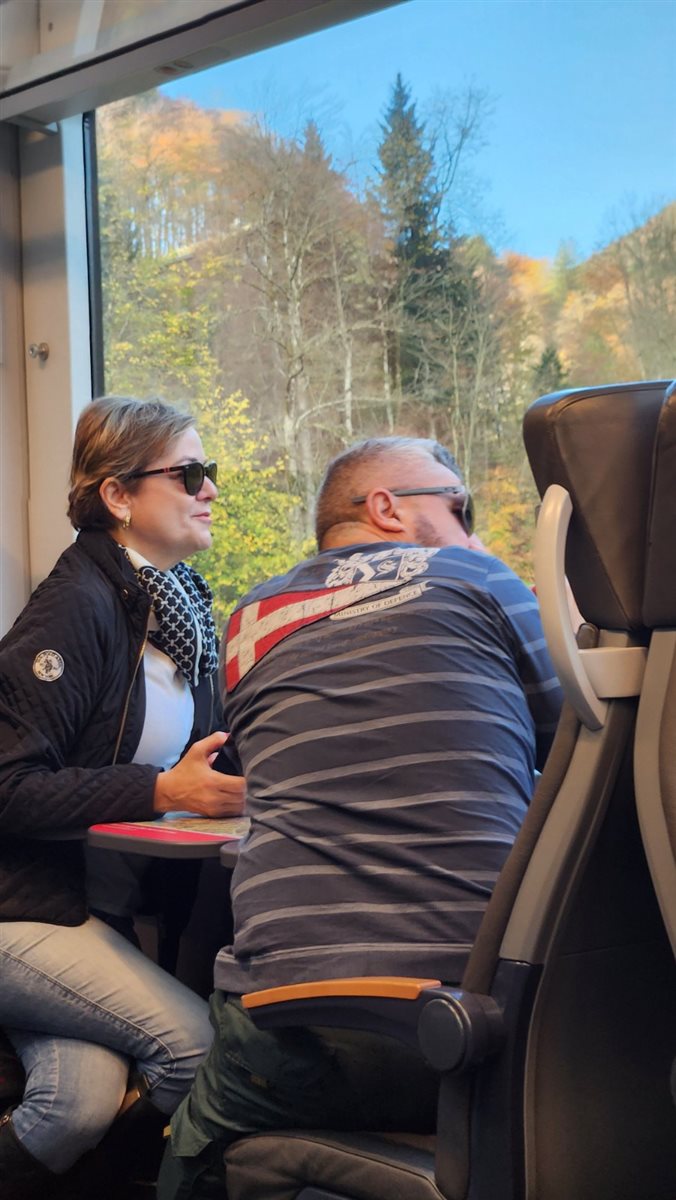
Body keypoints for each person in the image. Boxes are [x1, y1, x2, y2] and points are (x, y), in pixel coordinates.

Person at [158, 435, 563, 1200]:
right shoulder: (477, 575)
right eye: (458, 507)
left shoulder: (246, 621)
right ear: (386, 506)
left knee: (188, 1152)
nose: (471, 532)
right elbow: (578, 740)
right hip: (495, 1029)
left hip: (303, 1028)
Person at [0, 396, 246, 1196]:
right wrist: (161, 788)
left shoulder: (178, 612)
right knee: (197, 1047)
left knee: (75, 1106)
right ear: (118, 495)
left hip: (89, 913)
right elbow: (9, 790)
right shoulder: (75, 607)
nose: (210, 489)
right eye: (189, 473)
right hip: (22, 908)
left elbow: (201, 754)